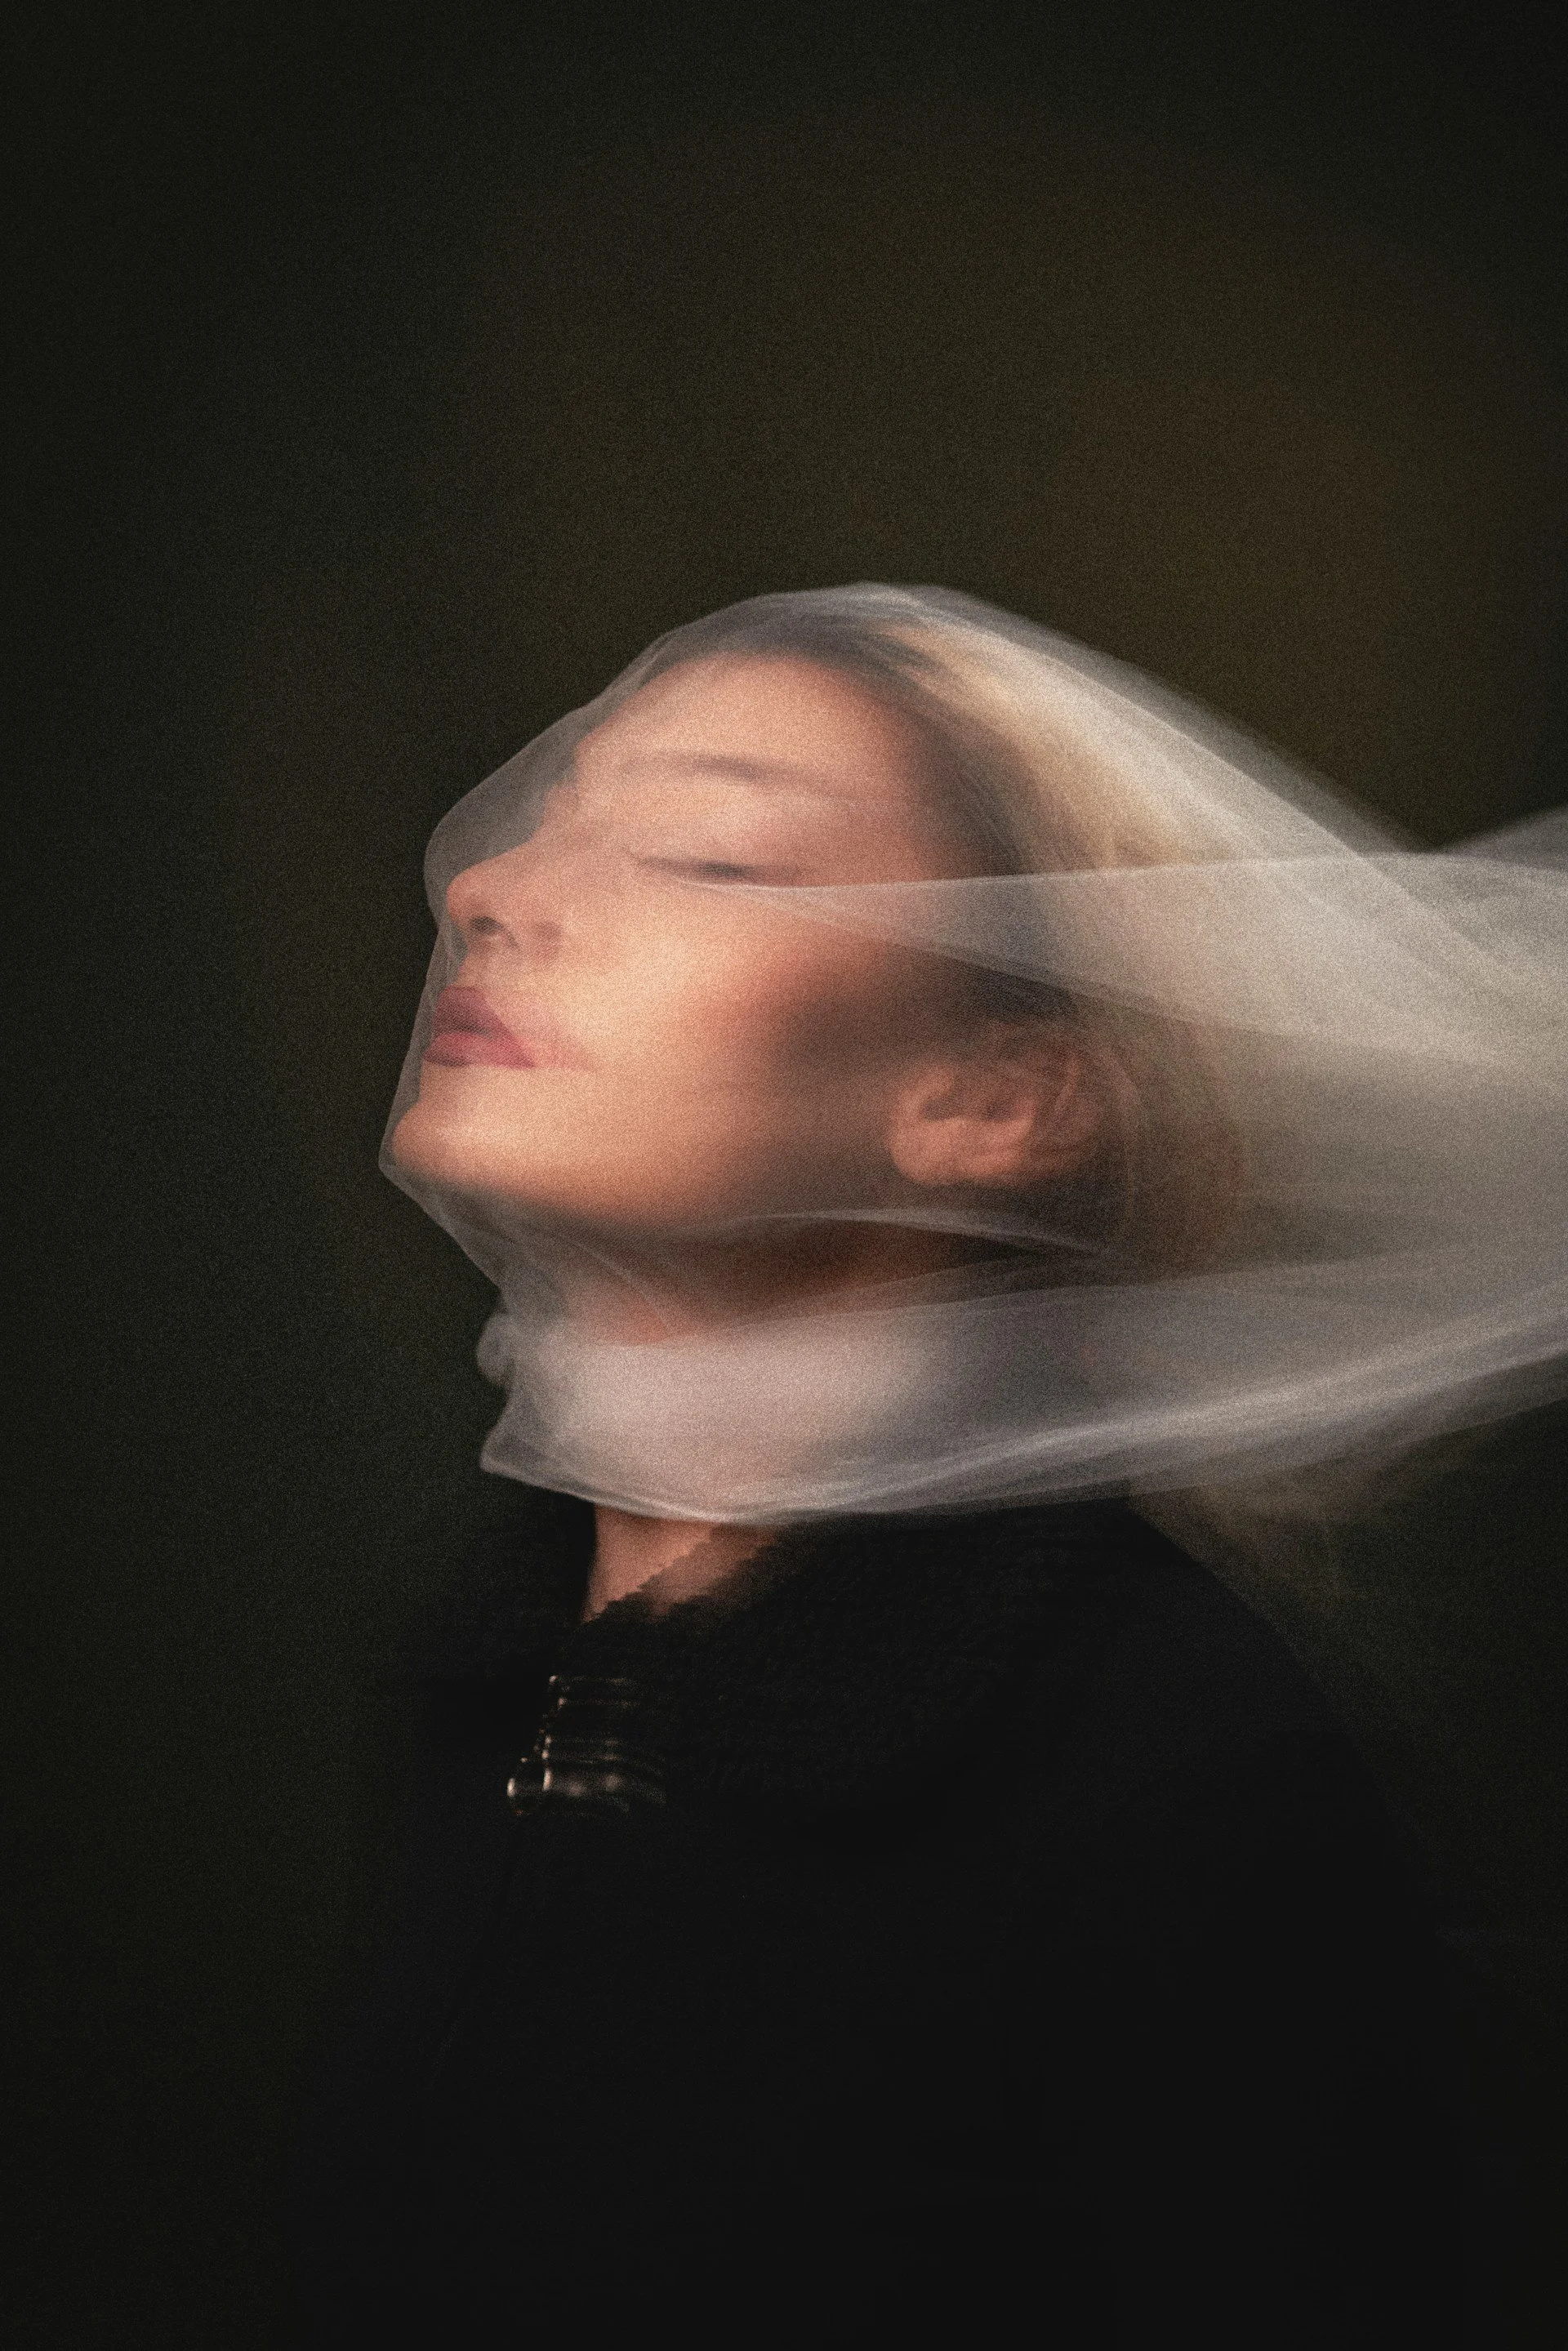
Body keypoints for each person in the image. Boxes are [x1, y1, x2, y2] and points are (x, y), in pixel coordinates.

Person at [292, 587, 1568, 2344]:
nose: (491, 889)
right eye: (543, 819)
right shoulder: (498, 1675)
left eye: (708, 854)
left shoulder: (1187, 1777)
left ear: (997, 1100)